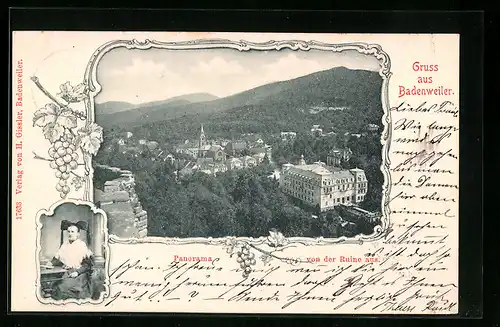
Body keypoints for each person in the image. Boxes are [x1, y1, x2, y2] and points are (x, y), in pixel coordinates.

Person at [45, 220, 94, 300]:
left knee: (60, 287)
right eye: (69, 231)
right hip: (66, 272)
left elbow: (87, 265)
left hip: (79, 275)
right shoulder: (65, 244)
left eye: (72, 231)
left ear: (78, 234)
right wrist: (51, 263)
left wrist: (77, 272)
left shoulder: (82, 245)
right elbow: (58, 258)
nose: (70, 234)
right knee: (53, 285)